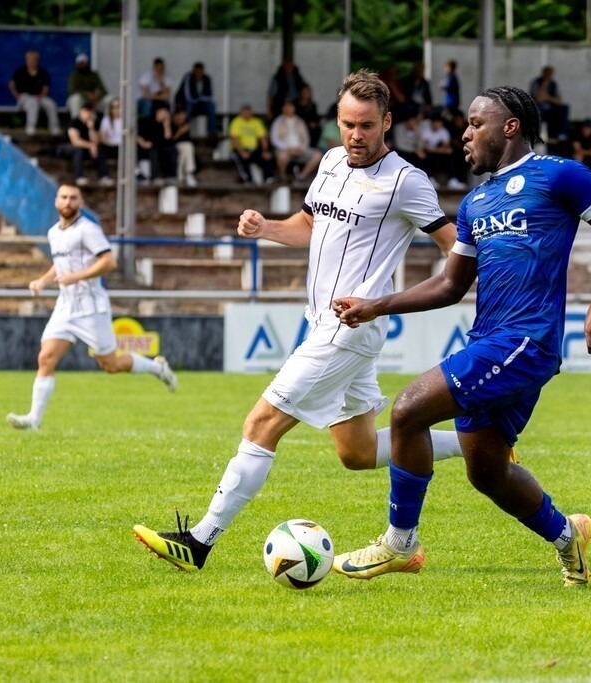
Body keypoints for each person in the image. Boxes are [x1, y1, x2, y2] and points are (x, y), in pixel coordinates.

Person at [132, 69, 467, 573]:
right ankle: (479, 442)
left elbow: (457, 251)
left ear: (387, 123)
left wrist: (386, 300)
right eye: (347, 124)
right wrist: (266, 227)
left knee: (261, 423)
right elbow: (309, 225)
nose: (355, 135)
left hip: (348, 330)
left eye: (367, 126)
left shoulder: (406, 181)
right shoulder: (331, 161)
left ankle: (198, 542)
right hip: (323, 325)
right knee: (355, 452)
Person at [329, 85, 591, 586]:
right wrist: (376, 305)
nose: (466, 133)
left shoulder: (558, 175)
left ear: (509, 127)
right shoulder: (475, 203)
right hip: (490, 342)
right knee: (486, 471)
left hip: (526, 340)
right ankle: (568, 538)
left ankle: (399, 543)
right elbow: (452, 284)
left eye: (476, 124)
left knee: (408, 408)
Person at [6, 183, 177, 431]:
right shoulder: (54, 232)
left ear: (81, 203)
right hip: (65, 306)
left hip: (91, 308)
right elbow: (61, 263)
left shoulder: (88, 230)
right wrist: (43, 281)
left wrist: (77, 276)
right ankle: (33, 420)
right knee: (45, 358)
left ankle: (157, 368)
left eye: (73, 198)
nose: (68, 202)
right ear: (56, 201)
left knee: (111, 365)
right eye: (64, 197)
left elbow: (108, 262)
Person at [8, 49, 60, 136]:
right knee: (33, 103)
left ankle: (54, 128)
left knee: (51, 104)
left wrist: (41, 96)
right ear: (26, 60)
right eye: (30, 59)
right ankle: (30, 128)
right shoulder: (20, 71)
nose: (32, 61)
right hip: (25, 97)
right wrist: (17, 96)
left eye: (34, 59)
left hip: (39, 96)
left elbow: (45, 87)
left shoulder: (42, 72)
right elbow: (11, 85)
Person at [270, 100, 322, 183]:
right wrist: (288, 149)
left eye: (290, 106)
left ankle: (301, 177)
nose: (288, 109)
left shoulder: (300, 121)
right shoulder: (278, 121)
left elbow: (306, 138)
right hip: (285, 149)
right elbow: (274, 139)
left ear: (294, 108)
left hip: (300, 149)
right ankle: (282, 177)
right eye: (286, 107)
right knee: (282, 156)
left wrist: (301, 148)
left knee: (317, 155)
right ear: (282, 108)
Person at [61, 103, 112, 187]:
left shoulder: (92, 124)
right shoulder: (74, 123)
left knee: (99, 150)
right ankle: (79, 177)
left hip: (85, 148)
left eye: (91, 112)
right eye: (87, 112)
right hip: (67, 147)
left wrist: (91, 129)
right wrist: (91, 146)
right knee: (77, 150)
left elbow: (95, 141)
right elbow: (75, 141)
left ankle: (104, 176)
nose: (89, 114)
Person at [228, 103, 275, 184]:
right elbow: (234, 139)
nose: (247, 113)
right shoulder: (236, 122)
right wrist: (242, 151)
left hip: (254, 149)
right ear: (241, 112)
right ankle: (248, 179)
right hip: (240, 149)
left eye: (248, 111)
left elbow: (262, 138)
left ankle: (269, 178)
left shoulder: (256, 122)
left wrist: (265, 150)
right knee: (242, 159)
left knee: (267, 156)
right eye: (245, 111)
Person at [174, 62, 217, 138]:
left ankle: (211, 133)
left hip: (200, 103)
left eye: (201, 72)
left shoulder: (207, 79)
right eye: (197, 72)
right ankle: (185, 132)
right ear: (193, 71)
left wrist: (199, 98)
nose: (199, 74)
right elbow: (188, 96)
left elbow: (209, 96)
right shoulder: (188, 78)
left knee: (212, 106)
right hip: (188, 102)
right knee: (189, 107)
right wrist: (199, 97)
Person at [136, 104, 176, 184]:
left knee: (173, 150)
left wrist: (166, 126)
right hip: (145, 147)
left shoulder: (167, 124)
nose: (166, 114)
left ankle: (171, 176)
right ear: (158, 111)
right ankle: (155, 177)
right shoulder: (145, 121)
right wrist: (143, 143)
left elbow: (168, 139)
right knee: (153, 151)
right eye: (164, 111)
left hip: (160, 147)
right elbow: (137, 135)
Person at [529, 66, 570, 140]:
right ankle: (537, 134)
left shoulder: (553, 84)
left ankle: (561, 133)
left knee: (564, 108)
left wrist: (548, 97)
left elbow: (559, 100)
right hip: (539, 107)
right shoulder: (536, 82)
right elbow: (537, 98)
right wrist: (544, 86)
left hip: (550, 107)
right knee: (540, 108)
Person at [66, 53, 109, 118]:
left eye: (84, 63)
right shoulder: (74, 75)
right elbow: (72, 91)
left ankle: (111, 123)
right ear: (77, 64)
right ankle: (76, 123)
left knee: (110, 99)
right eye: (80, 63)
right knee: (76, 99)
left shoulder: (94, 75)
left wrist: (97, 97)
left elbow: (103, 90)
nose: (82, 65)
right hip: (80, 99)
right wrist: (86, 94)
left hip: (93, 101)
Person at [171, 109, 198, 187]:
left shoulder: (186, 124)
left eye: (183, 115)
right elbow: (171, 139)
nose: (181, 117)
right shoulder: (170, 124)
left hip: (185, 147)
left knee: (187, 149)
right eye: (179, 115)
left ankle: (181, 176)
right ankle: (189, 173)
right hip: (173, 145)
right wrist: (180, 132)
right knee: (187, 148)